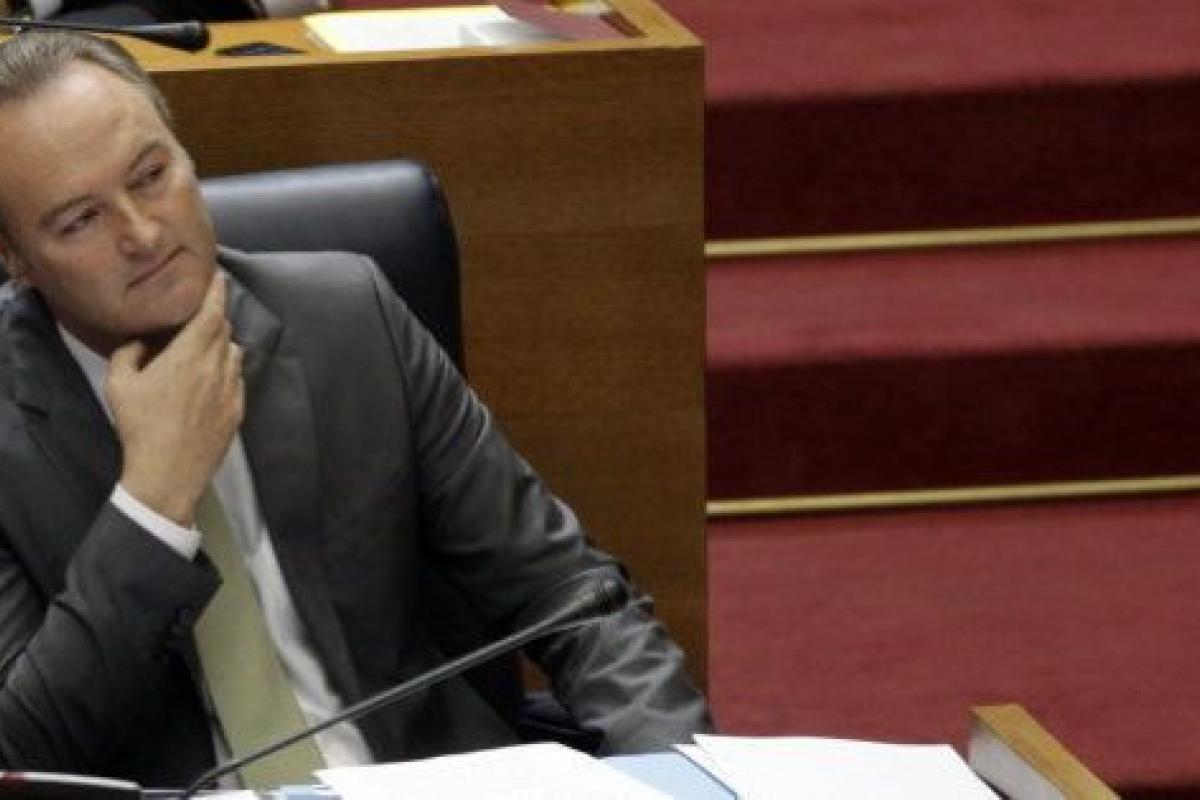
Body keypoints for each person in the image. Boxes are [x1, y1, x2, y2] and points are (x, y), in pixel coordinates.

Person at [0, 30, 711, 788]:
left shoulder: (347, 319)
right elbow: (19, 751)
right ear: (14, 260)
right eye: (81, 220)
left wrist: (676, 779)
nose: (142, 234)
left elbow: (572, 594)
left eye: (151, 175)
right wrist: (153, 503)